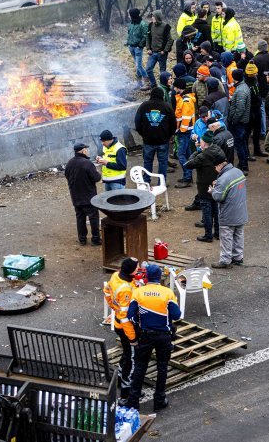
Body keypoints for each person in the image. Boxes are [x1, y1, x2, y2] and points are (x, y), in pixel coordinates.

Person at [124, 263, 181, 412]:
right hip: (164, 336)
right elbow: (177, 315)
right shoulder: (167, 293)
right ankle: (159, 399)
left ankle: (133, 401)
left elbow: (130, 315)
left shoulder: (138, 292)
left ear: (147, 277)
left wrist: (140, 324)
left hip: (145, 335)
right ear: (160, 277)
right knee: (162, 367)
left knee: (140, 366)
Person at [103, 257, 138, 398]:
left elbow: (106, 291)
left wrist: (113, 307)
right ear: (131, 271)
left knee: (126, 353)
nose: (138, 268)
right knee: (131, 357)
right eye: (136, 267)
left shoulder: (116, 275)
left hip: (118, 323)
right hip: (125, 327)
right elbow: (125, 318)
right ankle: (126, 388)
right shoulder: (126, 291)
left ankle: (119, 378)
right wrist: (133, 337)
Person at [210, 151, 248, 268]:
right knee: (238, 235)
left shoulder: (224, 178)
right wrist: (219, 184)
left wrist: (213, 190)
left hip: (228, 214)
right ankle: (238, 257)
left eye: (215, 167)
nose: (215, 169)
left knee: (226, 237)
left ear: (220, 165)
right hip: (241, 212)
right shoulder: (238, 171)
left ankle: (225, 261)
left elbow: (218, 197)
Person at [186, 131, 223, 242]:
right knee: (216, 211)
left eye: (201, 142)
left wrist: (196, 152)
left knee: (207, 212)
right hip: (216, 185)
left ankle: (208, 235)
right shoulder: (218, 150)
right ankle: (218, 233)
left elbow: (188, 164)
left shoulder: (202, 156)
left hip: (204, 187)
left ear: (204, 144)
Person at [135, 88, 177, 181]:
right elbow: (173, 124)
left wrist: (143, 134)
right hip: (163, 141)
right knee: (163, 162)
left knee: (147, 162)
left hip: (148, 140)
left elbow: (137, 123)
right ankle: (162, 182)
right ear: (162, 95)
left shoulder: (143, 106)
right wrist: (168, 136)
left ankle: (146, 180)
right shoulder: (167, 106)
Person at [65, 143, 102, 245]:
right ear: (83, 151)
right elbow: (97, 178)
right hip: (88, 197)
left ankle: (82, 239)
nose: (87, 150)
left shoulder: (69, 163)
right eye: (86, 149)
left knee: (80, 218)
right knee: (93, 217)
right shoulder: (87, 163)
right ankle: (95, 239)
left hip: (76, 196)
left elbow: (67, 176)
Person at [227, 68, 252, 172]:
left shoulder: (241, 90)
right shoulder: (243, 86)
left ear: (234, 78)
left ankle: (243, 165)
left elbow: (240, 109)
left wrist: (233, 120)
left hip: (239, 122)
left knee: (239, 144)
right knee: (242, 143)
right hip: (242, 121)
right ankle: (244, 162)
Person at [174, 78, 196, 188]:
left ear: (179, 88)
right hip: (187, 131)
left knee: (181, 155)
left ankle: (187, 178)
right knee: (187, 154)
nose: (174, 89)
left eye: (175, 87)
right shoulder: (185, 98)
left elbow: (185, 118)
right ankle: (188, 176)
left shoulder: (185, 101)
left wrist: (180, 131)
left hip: (185, 131)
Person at [145, 10, 173, 89]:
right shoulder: (150, 25)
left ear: (157, 17)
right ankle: (153, 85)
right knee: (148, 69)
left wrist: (165, 50)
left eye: (153, 16)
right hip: (152, 53)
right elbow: (147, 37)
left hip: (162, 53)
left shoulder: (166, 26)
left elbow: (170, 40)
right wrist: (148, 48)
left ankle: (163, 87)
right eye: (152, 16)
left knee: (162, 72)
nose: (152, 18)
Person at [243, 63, 265, 158]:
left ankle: (257, 150)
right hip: (249, 110)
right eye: (254, 73)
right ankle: (247, 153)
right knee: (247, 133)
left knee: (257, 130)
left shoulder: (255, 79)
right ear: (249, 73)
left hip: (257, 108)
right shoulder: (245, 83)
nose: (256, 74)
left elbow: (258, 92)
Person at [126, 8, 149, 89]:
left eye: (129, 14)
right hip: (131, 47)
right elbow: (130, 34)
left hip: (138, 48)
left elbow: (145, 36)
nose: (128, 16)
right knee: (137, 65)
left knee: (138, 65)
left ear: (132, 15)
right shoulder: (132, 23)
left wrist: (140, 45)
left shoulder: (142, 24)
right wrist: (128, 43)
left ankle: (147, 83)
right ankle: (139, 82)